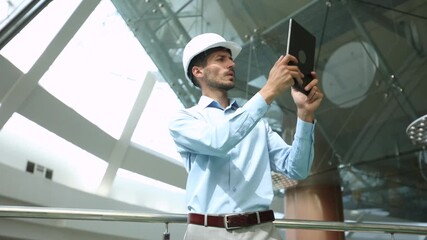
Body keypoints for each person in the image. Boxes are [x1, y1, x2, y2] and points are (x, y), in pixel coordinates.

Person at [168, 33, 323, 240]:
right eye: (221, 59)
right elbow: (219, 141)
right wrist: (270, 89)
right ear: (198, 71)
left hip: (261, 232)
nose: (231, 64)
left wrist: (305, 114)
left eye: (230, 59)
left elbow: (297, 169)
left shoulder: (258, 124)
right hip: (207, 234)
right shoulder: (183, 120)